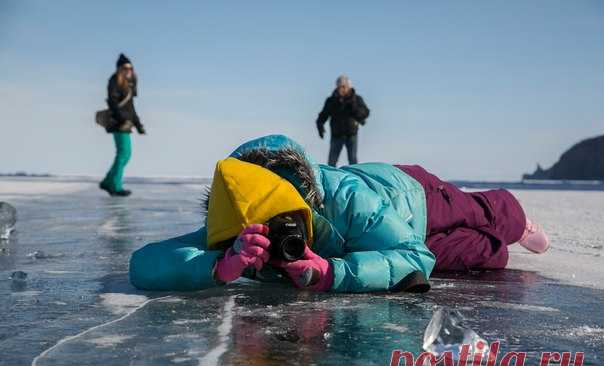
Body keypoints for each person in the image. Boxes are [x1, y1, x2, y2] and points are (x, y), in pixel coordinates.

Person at [129, 135, 550, 293]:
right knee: (483, 255)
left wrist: (334, 274)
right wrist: (220, 265)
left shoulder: (342, 198)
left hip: (409, 195)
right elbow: (143, 264)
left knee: (482, 212)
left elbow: (411, 254)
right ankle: (498, 244)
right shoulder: (235, 223)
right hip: (388, 238)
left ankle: (513, 212)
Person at [99, 53, 146, 197]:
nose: (128, 70)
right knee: (123, 154)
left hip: (127, 124)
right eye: (126, 68)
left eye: (130, 68)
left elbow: (131, 107)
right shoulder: (114, 81)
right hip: (118, 123)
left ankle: (108, 181)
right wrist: (121, 118)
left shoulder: (130, 84)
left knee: (126, 155)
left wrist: (138, 125)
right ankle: (116, 186)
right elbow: (112, 102)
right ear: (120, 68)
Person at [316, 75, 370, 167]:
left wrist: (353, 106)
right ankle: (330, 178)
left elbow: (365, 112)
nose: (342, 89)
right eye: (339, 86)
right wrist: (320, 126)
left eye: (344, 87)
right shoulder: (331, 100)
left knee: (353, 161)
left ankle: (355, 178)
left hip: (351, 135)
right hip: (336, 135)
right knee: (331, 162)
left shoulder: (356, 99)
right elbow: (323, 115)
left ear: (349, 87)